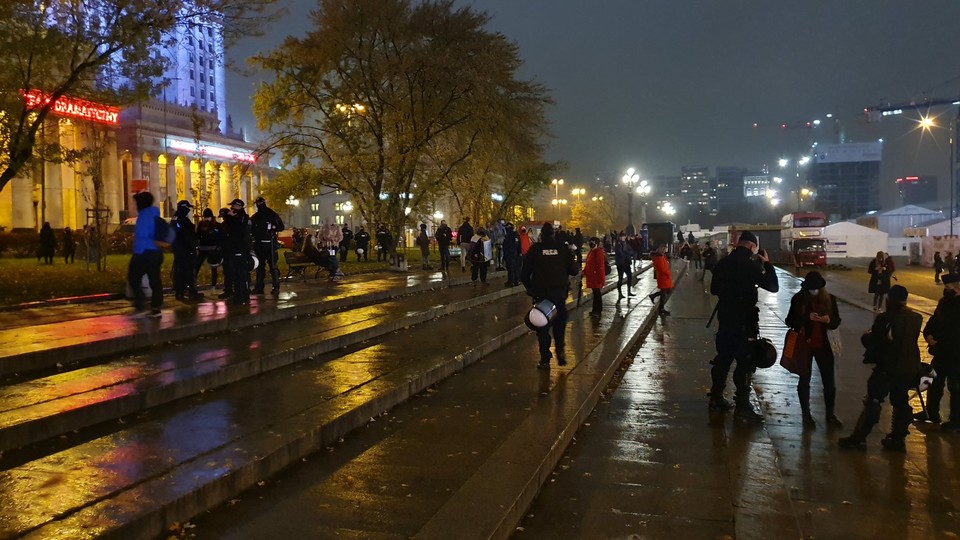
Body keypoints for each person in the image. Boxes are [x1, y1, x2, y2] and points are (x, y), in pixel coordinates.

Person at [839, 285, 923, 451]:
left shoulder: (885, 318)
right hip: (909, 367)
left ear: (889, 299)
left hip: (887, 367)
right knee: (901, 402)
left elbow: (875, 343)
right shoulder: (917, 318)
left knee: (873, 401)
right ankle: (898, 438)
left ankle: (859, 438)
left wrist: (866, 338)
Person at [708, 230, 780, 421]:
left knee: (723, 359)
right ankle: (742, 406)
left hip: (725, 320)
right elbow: (773, 286)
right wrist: (767, 263)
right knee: (745, 363)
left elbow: (714, 289)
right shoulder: (751, 265)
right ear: (752, 246)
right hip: (744, 322)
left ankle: (716, 398)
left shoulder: (723, 263)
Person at [784, 271, 842, 428]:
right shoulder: (798, 299)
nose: (814, 291)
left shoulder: (830, 300)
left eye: (816, 288)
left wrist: (828, 320)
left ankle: (830, 415)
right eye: (811, 288)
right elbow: (789, 321)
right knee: (804, 380)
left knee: (829, 382)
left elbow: (836, 321)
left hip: (825, 346)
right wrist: (806, 318)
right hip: (805, 346)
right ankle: (806, 415)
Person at [521, 222, 579, 369]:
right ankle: (560, 351)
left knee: (542, 327)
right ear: (554, 234)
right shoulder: (562, 249)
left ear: (541, 235)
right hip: (559, 294)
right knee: (559, 324)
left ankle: (545, 358)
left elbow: (524, 274)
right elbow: (573, 270)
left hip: (541, 296)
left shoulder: (535, 250)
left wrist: (531, 289)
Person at [914, 273, 960, 430]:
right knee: (934, 381)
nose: (946, 291)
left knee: (955, 387)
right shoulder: (943, 303)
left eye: (948, 288)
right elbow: (934, 321)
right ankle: (931, 412)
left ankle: (956, 420)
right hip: (941, 352)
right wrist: (928, 335)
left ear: (957, 287)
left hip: (956, 354)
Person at [127, 192, 164, 316]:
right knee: (155, 280)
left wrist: (136, 253)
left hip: (144, 253)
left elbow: (142, 236)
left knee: (133, 277)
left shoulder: (144, 216)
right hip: (156, 253)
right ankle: (156, 306)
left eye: (137, 203)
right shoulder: (155, 214)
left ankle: (140, 300)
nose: (136, 205)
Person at [250, 196, 284, 295]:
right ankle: (259, 287)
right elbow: (251, 229)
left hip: (270, 244)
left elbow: (280, 226)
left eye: (259, 203)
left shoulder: (271, 214)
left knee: (273, 266)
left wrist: (273, 227)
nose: (258, 206)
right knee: (260, 267)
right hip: (259, 244)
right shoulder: (256, 217)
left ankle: (275, 286)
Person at [222, 198, 252, 305]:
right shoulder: (242, 218)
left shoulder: (240, 219)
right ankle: (241, 295)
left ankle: (240, 296)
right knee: (239, 274)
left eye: (233, 207)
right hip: (239, 249)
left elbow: (236, 232)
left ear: (238, 207)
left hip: (238, 249)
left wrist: (230, 218)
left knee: (239, 274)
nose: (231, 209)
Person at [171, 200, 202, 301]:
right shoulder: (182, 220)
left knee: (179, 271)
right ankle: (191, 292)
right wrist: (195, 245)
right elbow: (187, 236)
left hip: (178, 249)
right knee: (188, 271)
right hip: (186, 250)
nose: (189, 210)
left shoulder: (175, 218)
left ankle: (180, 291)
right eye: (187, 208)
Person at [195, 208, 223, 289]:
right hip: (202, 248)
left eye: (208, 217)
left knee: (213, 267)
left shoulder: (216, 225)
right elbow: (197, 235)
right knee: (196, 266)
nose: (207, 219)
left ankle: (213, 286)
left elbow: (219, 237)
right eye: (205, 217)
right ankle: (193, 285)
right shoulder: (201, 225)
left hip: (212, 249)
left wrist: (218, 247)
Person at [583, 237, 606, 316]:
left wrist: (600, 278)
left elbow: (600, 266)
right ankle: (596, 309)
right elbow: (588, 263)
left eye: (592, 243)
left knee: (597, 293)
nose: (590, 244)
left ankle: (597, 310)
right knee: (595, 293)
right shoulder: (592, 252)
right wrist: (584, 272)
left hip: (596, 276)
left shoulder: (598, 252)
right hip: (592, 276)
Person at [648, 244, 673, 316]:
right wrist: (668, 273)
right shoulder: (659, 258)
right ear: (662, 249)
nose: (666, 250)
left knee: (666, 291)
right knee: (664, 294)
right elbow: (662, 269)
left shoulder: (661, 256)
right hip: (663, 277)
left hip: (664, 277)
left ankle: (653, 296)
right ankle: (661, 310)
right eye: (665, 249)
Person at [216, 208, 234, 299]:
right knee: (228, 272)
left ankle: (229, 290)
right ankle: (229, 289)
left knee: (228, 272)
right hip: (228, 251)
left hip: (228, 252)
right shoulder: (230, 224)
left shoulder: (227, 225)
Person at [614, 233, 635, 299]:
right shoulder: (618, 244)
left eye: (624, 236)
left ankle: (629, 291)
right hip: (620, 263)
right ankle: (620, 293)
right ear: (619, 237)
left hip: (627, 262)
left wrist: (626, 253)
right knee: (620, 278)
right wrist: (627, 253)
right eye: (622, 237)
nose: (623, 238)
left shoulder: (626, 244)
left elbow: (632, 251)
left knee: (630, 276)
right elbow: (620, 253)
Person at [502, 222, 522, 287]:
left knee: (510, 268)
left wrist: (505, 256)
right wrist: (519, 252)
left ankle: (511, 281)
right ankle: (517, 280)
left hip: (510, 255)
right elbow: (519, 245)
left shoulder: (508, 236)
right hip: (516, 254)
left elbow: (506, 247)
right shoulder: (516, 235)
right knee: (516, 268)